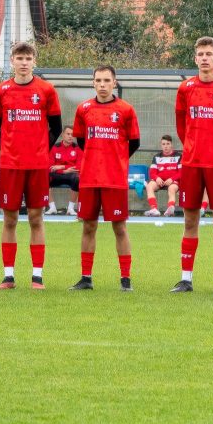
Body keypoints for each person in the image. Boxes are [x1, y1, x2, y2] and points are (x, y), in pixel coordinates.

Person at [0, 41, 63, 290]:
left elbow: (55, 127)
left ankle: (37, 277)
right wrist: (9, 148)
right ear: (12, 61)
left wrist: (40, 149)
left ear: (34, 61)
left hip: (37, 165)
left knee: (35, 217)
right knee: (9, 219)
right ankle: (8, 277)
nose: (23, 62)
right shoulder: (1, 91)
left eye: (28, 58)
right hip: (11, 164)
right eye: (19, 58)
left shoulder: (46, 90)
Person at [171, 36, 213, 293]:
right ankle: (186, 279)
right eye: (200, 54)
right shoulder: (186, 88)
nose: (204, 58)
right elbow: (181, 125)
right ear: (194, 58)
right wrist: (192, 145)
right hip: (192, 164)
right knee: (190, 220)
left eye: (209, 54)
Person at [67, 65, 140, 292]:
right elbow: (81, 141)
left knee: (120, 227)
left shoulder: (126, 110)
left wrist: (116, 158)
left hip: (114, 179)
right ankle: (86, 278)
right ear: (93, 83)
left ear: (114, 82)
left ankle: (125, 279)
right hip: (89, 178)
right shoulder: (84, 109)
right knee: (88, 226)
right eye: (98, 80)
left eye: (106, 80)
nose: (102, 85)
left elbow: (134, 142)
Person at [144, 134, 182, 217]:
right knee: (149, 186)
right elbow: (152, 173)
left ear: (171, 144)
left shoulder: (178, 156)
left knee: (171, 189)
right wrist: (157, 178)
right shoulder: (156, 157)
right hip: (159, 181)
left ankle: (170, 209)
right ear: (161, 145)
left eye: (168, 144)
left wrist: (172, 179)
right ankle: (154, 209)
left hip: (173, 181)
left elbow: (181, 172)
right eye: (163, 144)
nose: (166, 146)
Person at [46, 125, 80, 216]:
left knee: (77, 178)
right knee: (44, 176)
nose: (70, 136)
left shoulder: (78, 148)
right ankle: (52, 207)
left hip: (71, 175)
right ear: (63, 135)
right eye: (68, 134)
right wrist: (64, 170)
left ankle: (70, 208)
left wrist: (61, 167)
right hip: (57, 175)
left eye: (72, 134)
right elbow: (50, 166)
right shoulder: (54, 147)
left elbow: (79, 166)